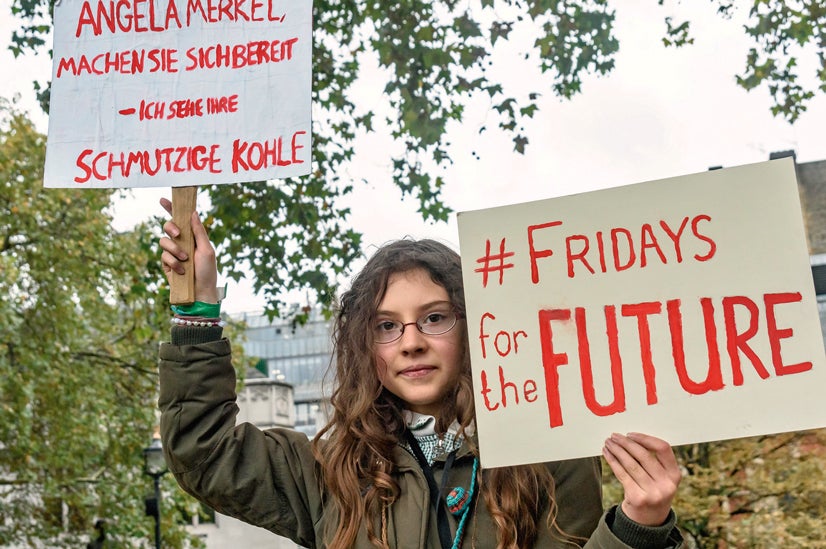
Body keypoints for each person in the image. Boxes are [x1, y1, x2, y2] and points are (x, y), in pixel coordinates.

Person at [158, 199, 684, 549]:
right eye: (386, 326)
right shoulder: (328, 472)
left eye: (434, 318)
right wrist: (197, 311)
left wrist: (640, 525)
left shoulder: (550, 454)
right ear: (367, 347)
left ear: (474, 324)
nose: (410, 342)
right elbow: (202, 453)